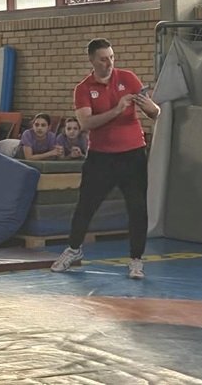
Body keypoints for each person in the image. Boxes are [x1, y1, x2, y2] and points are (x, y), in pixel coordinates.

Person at [51, 38, 160, 279]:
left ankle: (136, 260)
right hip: (101, 157)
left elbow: (155, 113)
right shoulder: (83, 88)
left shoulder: (128, 78)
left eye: (111, 57)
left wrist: (148, 105)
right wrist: (117, 109)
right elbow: (86, 123)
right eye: (103, 59)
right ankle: (74, 249)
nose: (109, 63)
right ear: (92, 60)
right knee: (86, 206)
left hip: (133, 154)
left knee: (137, 207)